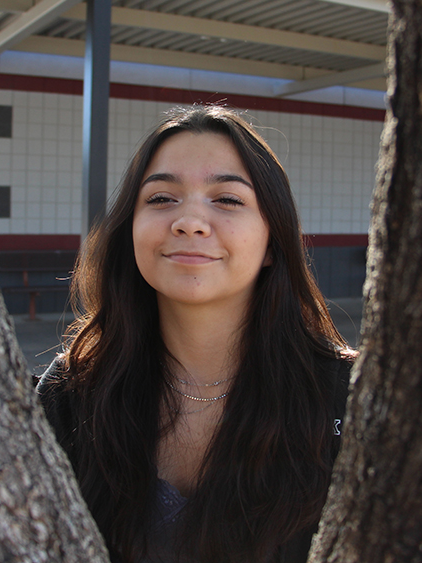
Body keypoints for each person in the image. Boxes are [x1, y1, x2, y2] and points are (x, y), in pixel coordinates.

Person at [37, 105, 357, 563]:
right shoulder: (71, 394)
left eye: (227, 199)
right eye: (161, 199)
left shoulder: (348, 398)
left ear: (272, 241)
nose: (189, 221)